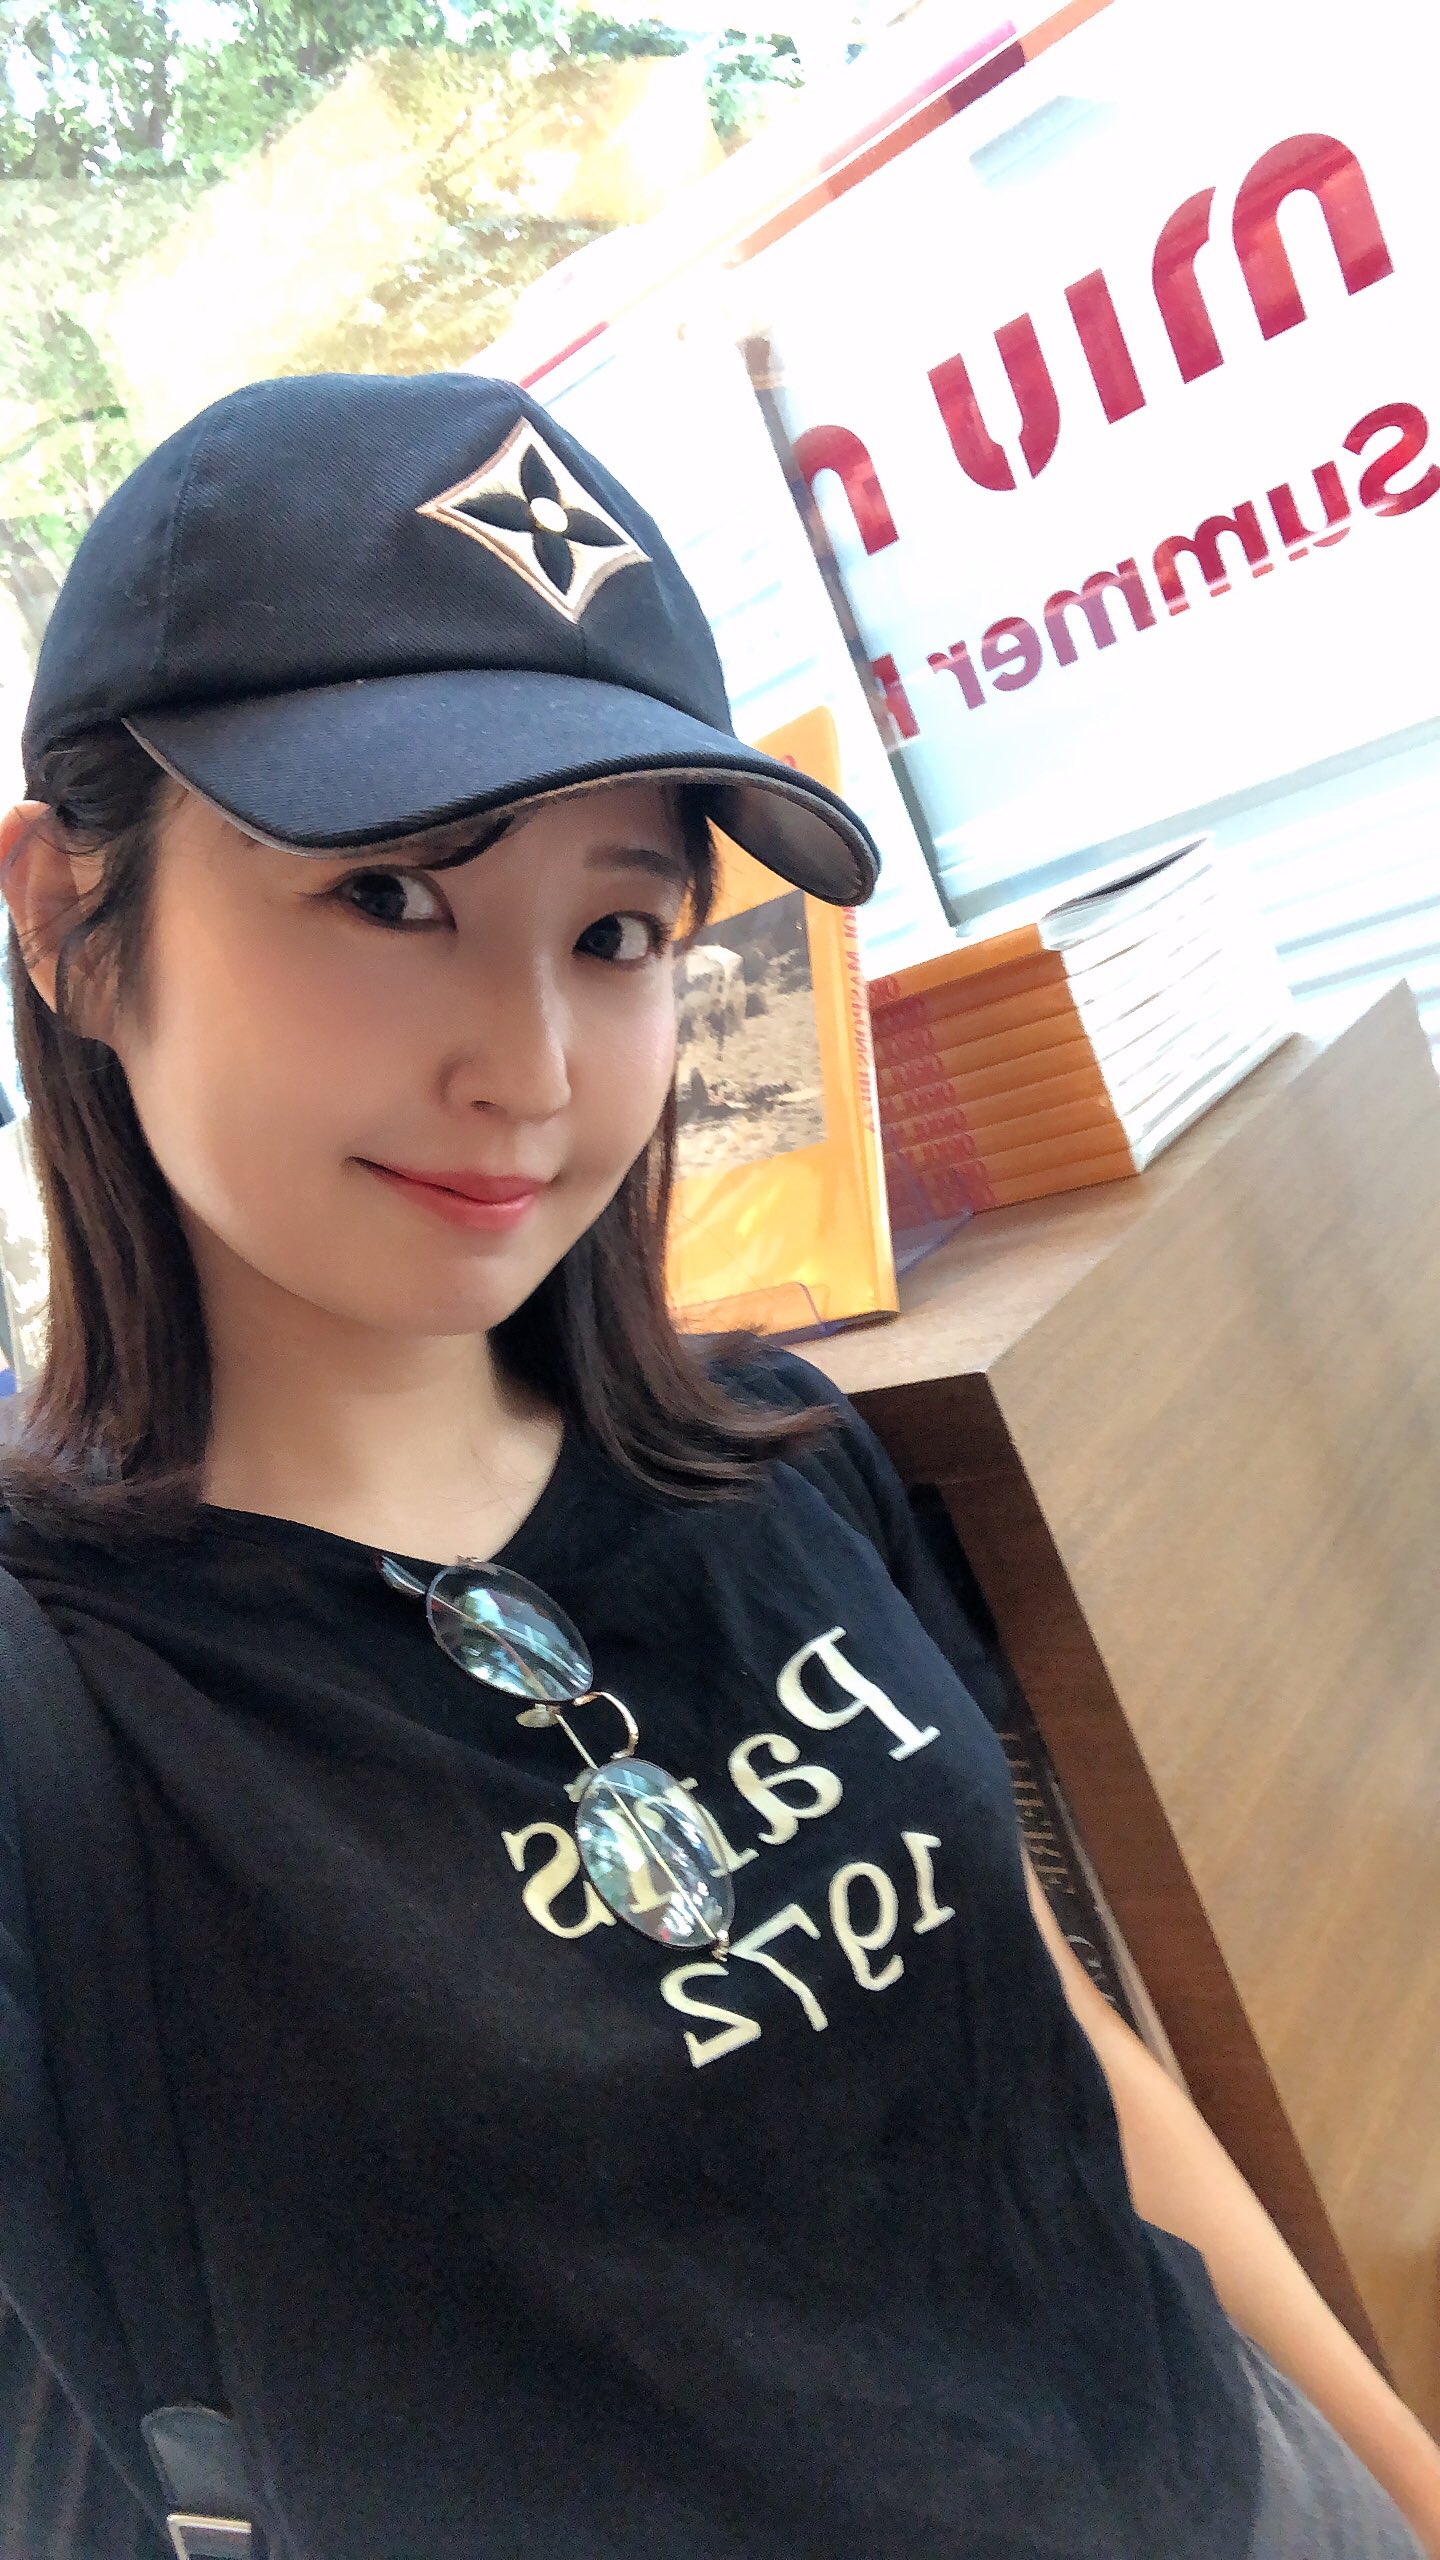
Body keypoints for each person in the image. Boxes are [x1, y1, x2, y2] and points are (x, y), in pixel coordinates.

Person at [0, 369, 1436, 2560]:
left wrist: (1402, 2473)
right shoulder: (59, 1717)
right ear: (63, 914)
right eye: (387, 895)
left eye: (617, 934)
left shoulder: (777, 1456)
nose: (533, 1070)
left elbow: (1043, 2027)